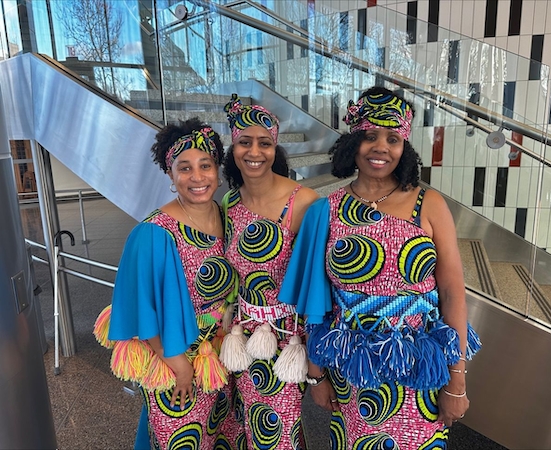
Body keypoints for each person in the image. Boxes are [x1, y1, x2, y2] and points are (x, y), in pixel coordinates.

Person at [279, 87, 481, 449]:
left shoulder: (429, 204)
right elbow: (315, 302)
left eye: (393, 138)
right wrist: (315, 375)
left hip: (418, 369)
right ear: (353, 143)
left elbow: (452, 295)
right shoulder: (326, 211)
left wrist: (457, 380)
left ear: (405, 147)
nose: (381, 147)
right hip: (353, 371)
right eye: (370, 136)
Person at [93, 119, 237, 450]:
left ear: (218, 169)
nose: (197, 177)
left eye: (205, 165)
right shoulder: (154, 233)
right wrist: (179, 366)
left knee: (217, 436)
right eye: (184, 168)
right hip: (175, 360)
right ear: (170, 175)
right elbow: (142, 312)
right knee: (181, 438)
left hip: (218, 356)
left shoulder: (225, 214)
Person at [217, 94, 319, 449]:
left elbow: (317, 280)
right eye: (245, 142)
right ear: (233, 147)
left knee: (276, 425)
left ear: (276, 148)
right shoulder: (230, 202)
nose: (254, 152)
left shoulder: (303, 201)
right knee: (252, 421)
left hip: (287, 338)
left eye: (264, 143)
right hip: (242, 337)